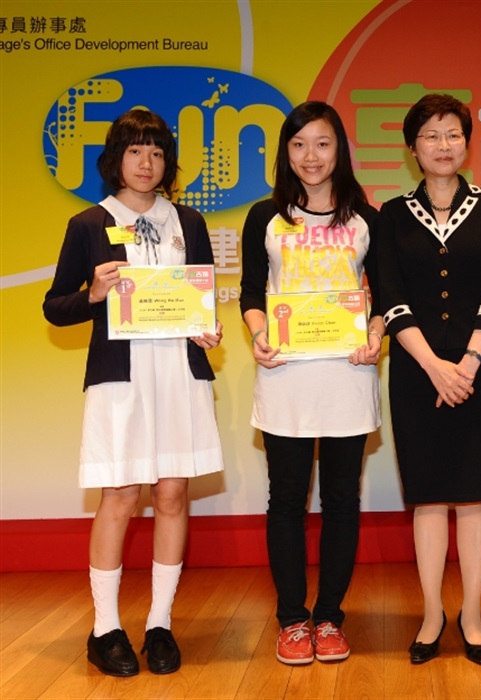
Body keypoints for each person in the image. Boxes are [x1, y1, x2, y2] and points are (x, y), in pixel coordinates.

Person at [43, 109, 225, 677]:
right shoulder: (88, 223)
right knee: (119, 496)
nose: (147, 164)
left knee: (172, 494)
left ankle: (160, 623)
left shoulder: (188, 222)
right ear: (115, 159)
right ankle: (105, 629)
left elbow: (201, 295)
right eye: (134, 151)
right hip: (121, 380)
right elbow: (55, 306)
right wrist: (93, 294)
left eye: (156, 152)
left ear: (167, 161)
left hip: (178, 373)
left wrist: (207, 328)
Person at [239, 101, 383, 666]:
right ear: (285, 153)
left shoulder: (364, 217)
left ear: (339, 149)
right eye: (298, 145)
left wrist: (376, 332)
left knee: (343, 499)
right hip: (287, 375)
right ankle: (293, 619)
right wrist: (256, 333)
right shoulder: (265, 217)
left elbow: (387, 292)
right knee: (287, 500)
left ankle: (330, 616)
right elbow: (254, 291)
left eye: (322, 144)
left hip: (348, 373)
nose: (311, 156)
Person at [378, 94, 481, 666]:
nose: (442, 145)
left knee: (475, 497)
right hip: (416, 372)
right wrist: (434, 365)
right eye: (430, 136)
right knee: (429, 498)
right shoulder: (389, 213)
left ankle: (473, 615)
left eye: (453, 134)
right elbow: (390, 297)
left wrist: (469, 364)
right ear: (412, 147)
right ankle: (432, 613)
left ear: (467, 142)